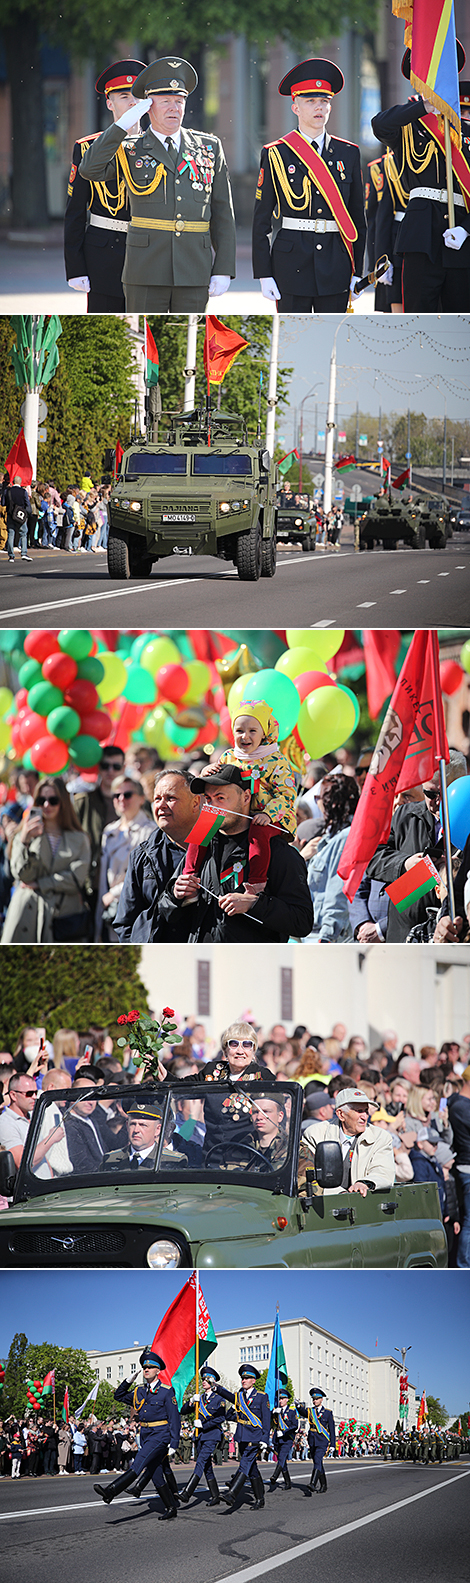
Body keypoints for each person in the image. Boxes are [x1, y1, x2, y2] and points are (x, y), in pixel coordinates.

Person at [79, 56, 236, 312]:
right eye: (165, 102)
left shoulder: (209, 147)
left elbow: (223, 213)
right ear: (148, 107)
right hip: (145, 270)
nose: (174, 108)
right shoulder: (130, 150)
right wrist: (121, 125)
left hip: (194, 268)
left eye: (179, 101)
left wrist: (224, 268)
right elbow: (89, 169)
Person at [253, 58, 366, 312]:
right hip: (290, 266)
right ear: (295, 108)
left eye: (324, 101)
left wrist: (357, 271)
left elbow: (358, 217)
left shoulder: (349, 153)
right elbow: (261, 220)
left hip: (336, 265)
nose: (319, 108)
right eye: (310, 101)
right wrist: (264, 273)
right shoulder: (276, 153)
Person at [162, 765, 313, 942]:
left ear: (246, 797)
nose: (213, 807)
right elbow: (165, 912)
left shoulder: (277, 851)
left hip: (252, 965)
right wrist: (175, 896)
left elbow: (302, 921)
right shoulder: (200, 844)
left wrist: (255, 904)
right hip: (203, 962)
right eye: (208, 799)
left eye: (221, 798)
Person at [371, 43, 470, 311]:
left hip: (460, 232)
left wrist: (466, 228)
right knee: (418, 315)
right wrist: (424, 107)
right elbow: (379, 125)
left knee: (460, 320)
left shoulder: (464, 132)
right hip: (420, 235)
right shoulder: (408, 126)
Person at [184, 701, 297, 898]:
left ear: (265, 733)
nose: (245, 736)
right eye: (239, 730)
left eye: (253, 730)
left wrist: (268, 814)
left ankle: (256, 883)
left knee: (258, 831)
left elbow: (286, 795)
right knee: (204, 824)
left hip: (271, 818)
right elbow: (216, 780)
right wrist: (206, 771)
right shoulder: (228, 756)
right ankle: (190, 876)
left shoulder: (276, 760)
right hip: (235, 813)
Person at [64, 59, 146, 311]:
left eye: (137, 97)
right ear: (110, 103)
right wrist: (75, 268)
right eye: (124, 96)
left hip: (149, 253)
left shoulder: (159, 146)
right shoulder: (88, 148)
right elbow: (75, 212)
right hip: (103, 255)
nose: (132, 102)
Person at [366, 752, 468, 943]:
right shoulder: (406, 815)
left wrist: (454, 868)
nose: (437, 802)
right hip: (402, 935)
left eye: (445, 794)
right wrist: (405, 863)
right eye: (430, 794)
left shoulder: (467, 818)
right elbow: (372, 859)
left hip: (450, 935)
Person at [160, 1022, 272, 1162]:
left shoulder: (263, 1077)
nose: (240, 1050)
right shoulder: (213, 1071)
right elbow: (182, 1088)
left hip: (247, 1159)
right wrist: (160, 1071)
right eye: (233, 1044)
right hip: (212, 1156)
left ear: (253, 1050)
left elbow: (275, 1117)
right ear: (225, 1050)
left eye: (247, 1045)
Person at [114, 769, 201, 942]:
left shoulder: (217, 847)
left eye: (170, 798)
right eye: (157, 799)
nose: (161, 805)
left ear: (195, 802)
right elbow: (125, 925)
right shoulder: (142, 855)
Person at [94, 1346, 181, 1520]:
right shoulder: (139, 1391)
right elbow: (118, 1396)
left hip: (160, 1434)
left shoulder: (166, 1391)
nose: (146, 1369)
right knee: (156, 1473)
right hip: (146, 1434)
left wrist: (174, 1442)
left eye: (150, 1367)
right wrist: (128, 1380)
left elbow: (174, 1418)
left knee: (138, 1463)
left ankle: (111, 1491)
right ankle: (171, 1507)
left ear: (158, 1371)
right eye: (144, 1367)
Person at [2, 779, 90, 944]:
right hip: (27, 913)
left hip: (63, 917)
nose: (47, 805)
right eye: (42, 800)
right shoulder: (22, 834)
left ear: (63, 802)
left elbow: (76, 879)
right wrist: (24, 841)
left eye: (53, 800)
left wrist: (41, 883)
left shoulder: (80, 838)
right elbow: (22, 875)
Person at [95, 774, 155, 941]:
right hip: (107, 908)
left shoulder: (151, 831)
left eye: (127, 794)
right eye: (116, 795)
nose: (121, 799)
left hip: (132, 905)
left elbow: (145, 875)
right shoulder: (109, 831)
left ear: (141, 799)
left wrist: (114, 893)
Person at [303, 1085, 395, 1194]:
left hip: (362, 1203)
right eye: (359, 1111)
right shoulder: (315, 1134)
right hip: (325, 1204)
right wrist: (340, 1194)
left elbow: (383, 1172)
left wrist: (364, 1183)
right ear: (341, 1114)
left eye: (366, 1111)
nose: (365, 1116)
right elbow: (307, 1175)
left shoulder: (380, 1137)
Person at [73, 747, 125, 920]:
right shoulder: (83, 801)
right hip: (89, 884)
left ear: (124, 768)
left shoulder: (134, 801)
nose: (110, 771)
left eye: (116, 766)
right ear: (98, 767)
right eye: (105, 765)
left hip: (120, 887)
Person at [306, 774, 359, 941]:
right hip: (314, 932)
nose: (317, 803)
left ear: (330, 802)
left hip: (327, 935)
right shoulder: (330, 837)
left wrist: (328, 937)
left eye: (318, 797)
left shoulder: (346, 838)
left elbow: (338, 892)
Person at [217, 1365, 271, 1511]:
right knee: (252, 1469)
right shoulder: (239, 1395)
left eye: (247, 1378)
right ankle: (260, 1498)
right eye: (242, 1378)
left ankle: (232, 1494)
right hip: (241, 1436)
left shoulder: (261, 1396)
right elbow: (228, 1397)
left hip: (255, 1437)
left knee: (245, 1463)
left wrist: (265, 1439)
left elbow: (266, 1420)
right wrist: (217, 1388)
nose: (244, 1380)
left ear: (253, 1380)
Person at [179, 1364, 226, 1507]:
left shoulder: (219, 1399)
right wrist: (191, 1401)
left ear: (213, 1381)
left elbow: (220, 1418)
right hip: (199, 1436)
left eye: (206, 1379)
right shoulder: (199, 1398)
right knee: (206, 1467)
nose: (203, 1381)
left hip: (212, 1435)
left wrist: (203, 1425)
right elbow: (183, 1411)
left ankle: (187, 1492)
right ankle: (215, 1496)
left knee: (200, 1461)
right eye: (203, 1379)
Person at [100, 1098, 187, 1172]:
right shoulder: (109, 1160)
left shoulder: (174, 1161)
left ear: (157, 1130)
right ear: (127, 1125)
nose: (136, 1130)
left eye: (143, 1125)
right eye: (133, 1124)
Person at [295, 1386, 335, 1493]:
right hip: (312, 1440)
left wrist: (333, 1445)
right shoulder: (310, 1411)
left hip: (322, 1440)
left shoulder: (328, 1412)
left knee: (317, 1460)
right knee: (318, 1463)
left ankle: (313, 1483)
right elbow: (303, 1412)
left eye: (317, 1399)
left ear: (321, 1399)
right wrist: (298, 1406)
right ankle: (324, 1485)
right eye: (313, 1399)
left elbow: (332, 1430)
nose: (315, 1401)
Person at [267, 1391, 298, 1491]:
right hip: (277, 1439)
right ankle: (288, 1482)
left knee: (281, 1457)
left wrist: (284, 1432)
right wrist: (272, 1413)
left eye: (283, 1399)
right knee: (282, 1461)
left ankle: (274, 1476)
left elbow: (295, 1426)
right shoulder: (277, 1410)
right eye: (279, 1399)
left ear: (287, 1400)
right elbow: (270, 1421)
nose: (280, 1401)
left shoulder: (292, 1411)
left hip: (287, 1439)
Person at [4, 474, 33, 563]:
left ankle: (11, 555)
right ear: (20, 483)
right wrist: (28, 513)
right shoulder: (23, 492)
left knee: (11, 534)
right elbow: (27, 504)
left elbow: (3, 503)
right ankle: (24, 553)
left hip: (10, 514)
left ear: (13, 482)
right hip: (20, 515)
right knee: (23, 533)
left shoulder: (8, 491)